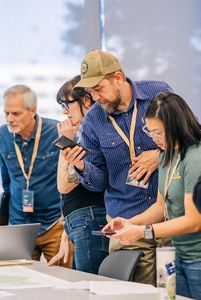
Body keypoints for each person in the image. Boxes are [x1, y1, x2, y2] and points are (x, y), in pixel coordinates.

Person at [60, 49, 172, 285]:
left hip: (170, 218)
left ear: (118, 78)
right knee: (132, 292)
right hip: (127, 222)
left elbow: (189, 138)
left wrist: (159, 155)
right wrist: (81, 165)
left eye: (99, 89)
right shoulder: (94, 121)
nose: (96, 97)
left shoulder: (158, 94)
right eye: (90, 92)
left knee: (174, 291)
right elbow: (98, 182)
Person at [104, 92, 201, 299]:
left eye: (159, 133)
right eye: (151, 132)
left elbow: (194, 221)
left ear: (177, 126)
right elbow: (160, 206)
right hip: (180, 255)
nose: (155, 139)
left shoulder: (195, 158)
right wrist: (130, 223)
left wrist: (143, 233)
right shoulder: (168, 154)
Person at [0, 84, 72, 267]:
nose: (10, 119)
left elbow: (71, 177)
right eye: (6, 113)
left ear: (33, 110)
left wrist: (67, 217)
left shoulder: (56, 132)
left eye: (15, 114)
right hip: (19, 224)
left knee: (63, 280)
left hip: (54, 222)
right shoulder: (2, 135)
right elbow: (6, 181)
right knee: (19, 281)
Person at [48, 76, 109, 274]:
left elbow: (63, 185)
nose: (64, 111)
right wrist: (66, 232)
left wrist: (65, 141)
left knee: (89, 286)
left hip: (91, 217)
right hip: (80, 221)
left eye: (67, 103)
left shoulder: (95, 133)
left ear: (86, 100)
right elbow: (64, 192)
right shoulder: (82, 133)